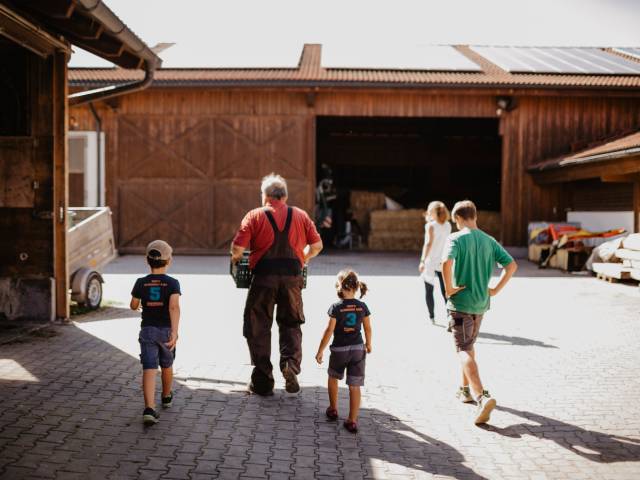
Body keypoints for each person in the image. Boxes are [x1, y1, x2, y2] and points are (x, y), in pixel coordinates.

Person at [231, 173, 323, 396]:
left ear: (265, 196)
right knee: (291, 323)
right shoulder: (300, 215)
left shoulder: (254, 215)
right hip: (292, 278)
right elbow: (318, 245)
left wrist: (236, 259)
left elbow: (237, 249)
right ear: (285, 196)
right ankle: (290, 365)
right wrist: (305, 258)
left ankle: (263, 381)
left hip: (264, 278)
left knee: (258, 325)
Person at [442, 200, 517, 425]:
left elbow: (446, 262)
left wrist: (448, 289)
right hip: (480, 305)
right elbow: (511, 265)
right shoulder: (489, 240)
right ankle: (464, 390)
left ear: (457, 219)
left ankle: (481, 397)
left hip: (460, 303)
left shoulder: (455, 238)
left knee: (462, 349)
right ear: (475, 216)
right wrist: (494, 289)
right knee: (469, 346)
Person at [130, 240, 181, 425]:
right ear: (169, 261)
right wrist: (175, 332)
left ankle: (149, 409)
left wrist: (138, 304)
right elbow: (174, 307)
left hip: (148, 331)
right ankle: (166, 396)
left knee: (149, 368)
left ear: (147, 260)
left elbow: (133, 305)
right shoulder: (173, 283)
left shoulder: (141, 283)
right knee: (167, 365)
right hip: (166, 331)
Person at [315, 270, 372, 433]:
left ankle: (333, 409)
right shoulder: (362, 306)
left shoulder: (336, 307)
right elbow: (368, 328)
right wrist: (369, 344)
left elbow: (328, 331)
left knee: (333, 377)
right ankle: (352, 421)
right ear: (356, 287)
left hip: (339, 349)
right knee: (355, 385)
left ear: (340, 287)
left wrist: (320, 350)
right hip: (357, 349)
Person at [418, 201, 452, 323]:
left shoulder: (430, 226)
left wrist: (422, 260)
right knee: (446, 291)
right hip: (443, 261)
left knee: (429, 290)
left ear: (433, 212)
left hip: (431, 262)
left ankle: (432, 317)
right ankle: (450, 317)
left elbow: (428, 244)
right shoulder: (448, 225)